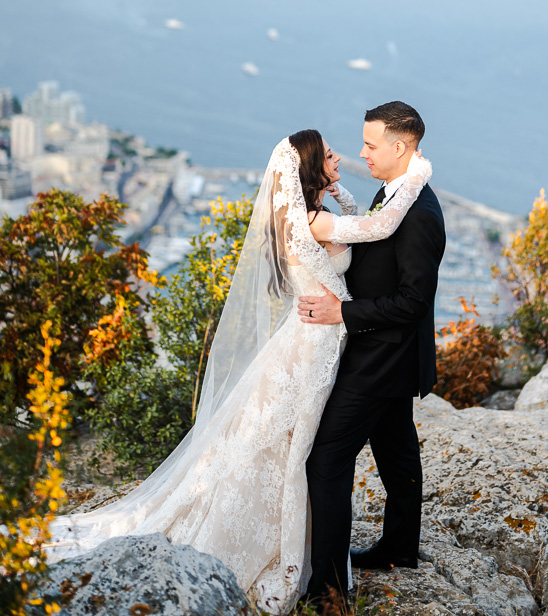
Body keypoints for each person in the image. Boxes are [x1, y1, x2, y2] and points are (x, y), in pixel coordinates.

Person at [47, 128, 432, 615]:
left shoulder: (307, 216)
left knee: (293, 444)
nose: (345, 157)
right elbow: (378, 227)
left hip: (321, 339)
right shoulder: (313, 222)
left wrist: (341, 193)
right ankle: (295, 555)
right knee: (296, 447)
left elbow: (356, 226)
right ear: (310, 169)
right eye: (330, 155)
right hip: (314, 345)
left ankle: (317, 544)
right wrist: (417, 173)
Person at [298, 101, 446, 608]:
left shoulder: (420, 214)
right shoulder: (395, 193)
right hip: (387, 352)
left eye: (370, 144)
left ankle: (328, 590)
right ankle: (399, 547)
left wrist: (343, 312)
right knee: (397, 450)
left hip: (381, 357)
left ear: (399, 147)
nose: (362, 153)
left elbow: (413, 301)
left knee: (326, 460)